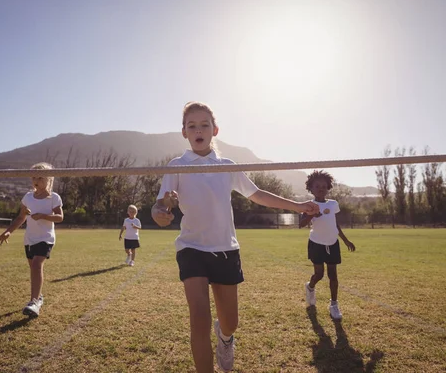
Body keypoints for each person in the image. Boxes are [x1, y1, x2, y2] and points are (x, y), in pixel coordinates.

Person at [152, 102, 320, 373]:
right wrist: (161, 211)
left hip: (226, 250)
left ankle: (226, 338)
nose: (198, 129)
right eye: (192, 125)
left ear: (214, 130)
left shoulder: (227, 166)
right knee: (199, 318)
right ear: (183, 132)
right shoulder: (177, 165)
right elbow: (161, 204)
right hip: (191, 248)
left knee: (230, 322)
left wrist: (298, 205)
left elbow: (258, 195)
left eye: (204, 124)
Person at [0, 162, 64, 317]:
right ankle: (38, 297)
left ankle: (33, 302)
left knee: (37, 264)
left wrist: (44, 216)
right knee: (33, 268)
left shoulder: (54, 198)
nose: (36, 180)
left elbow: (60, 217)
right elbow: (21, 217)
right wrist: (8, 232)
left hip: (46, 238)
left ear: (49, 179)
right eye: (33, 177)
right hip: (29, 239)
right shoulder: (27, 197)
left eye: (40, 177)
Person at [300, 170, 355, 320]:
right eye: (317, 186)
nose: (321, 188)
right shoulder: (309, 205)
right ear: (311, 188)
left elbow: (335, 224)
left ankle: (334, 305)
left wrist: (345, 240)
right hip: (316, 243)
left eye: (324, 186)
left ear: (328, 187)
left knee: (333, 275)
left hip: (333, 243)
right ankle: (310, 287)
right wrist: (312, 213)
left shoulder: (333, 204)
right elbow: (301, 224)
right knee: (319, 274)